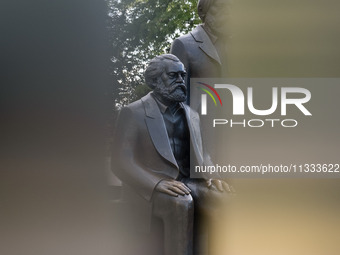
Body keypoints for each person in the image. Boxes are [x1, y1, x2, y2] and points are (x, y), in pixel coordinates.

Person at [113, 54, 233, 255]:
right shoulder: (133, 112)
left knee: (226, 198)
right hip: (150, 189)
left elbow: (203, 155)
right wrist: (156, 182)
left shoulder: (192, 114)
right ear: (154, 80)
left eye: (182, 75)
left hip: (189, 181)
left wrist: (213, 177)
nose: (181, 81)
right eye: (173, 76)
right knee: (181, 203)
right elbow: (121, 161)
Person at [170, 0, 232, 105]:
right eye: (221, 6)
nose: (228, 12)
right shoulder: (183, 45)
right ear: (202, 11)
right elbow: (177, 100)